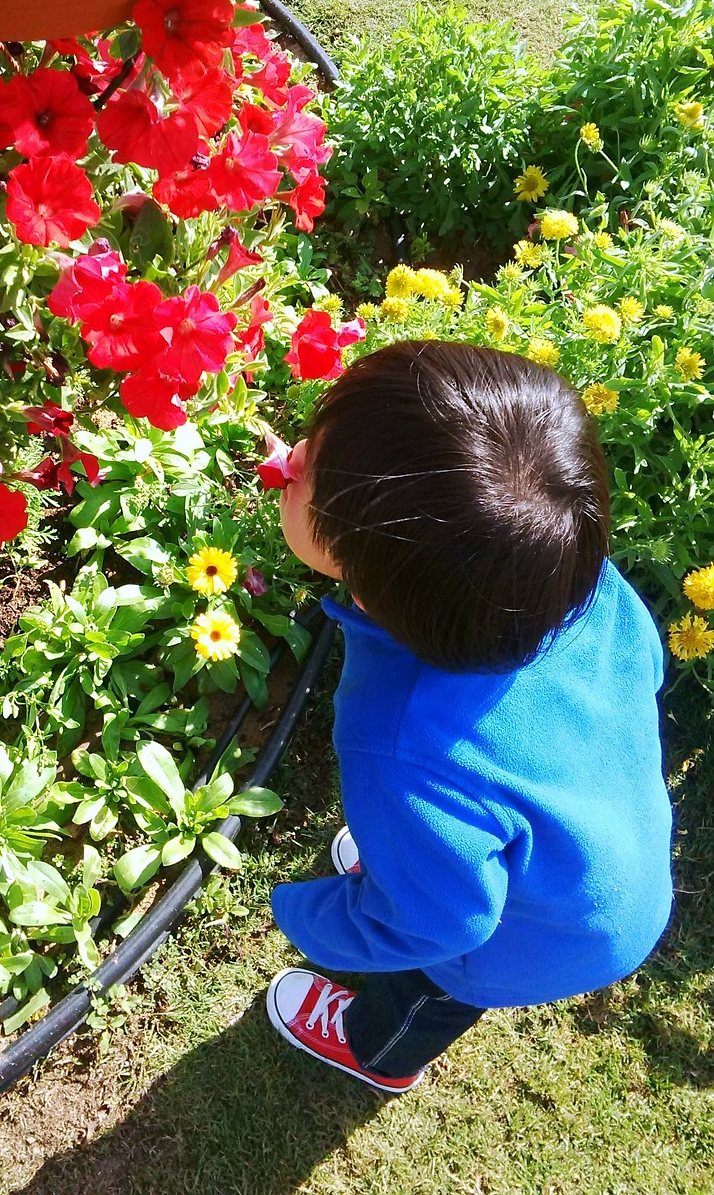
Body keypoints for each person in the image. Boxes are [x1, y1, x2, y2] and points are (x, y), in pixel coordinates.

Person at [265, 340, 674, 1094]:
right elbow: (643, 670)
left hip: (541, 933)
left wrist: (309, 917)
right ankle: (429, 862)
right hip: (596, 850)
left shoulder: (405, 748)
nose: (289, 456)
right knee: (434, 863)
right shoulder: (566, 579)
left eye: (310, 469)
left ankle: (373, 1052)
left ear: (372, 575)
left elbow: (443, 925)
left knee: (430, 987)